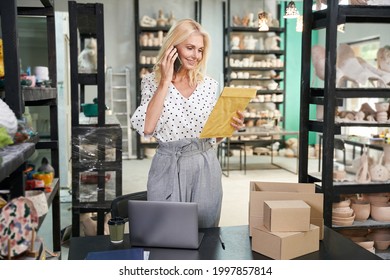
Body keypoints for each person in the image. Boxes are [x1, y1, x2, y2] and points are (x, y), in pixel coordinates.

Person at [130, 18, 245, 228]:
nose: (196, 56)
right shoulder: (151, 82)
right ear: (173, 48)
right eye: (190, 48)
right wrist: (165, 81)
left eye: (200, 50)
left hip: (205, 163)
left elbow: (212, 136)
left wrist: (228, 126)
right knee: (165, 231)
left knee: (205, 231)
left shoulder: (209, 85)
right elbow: (148, 128)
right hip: (168, 164)